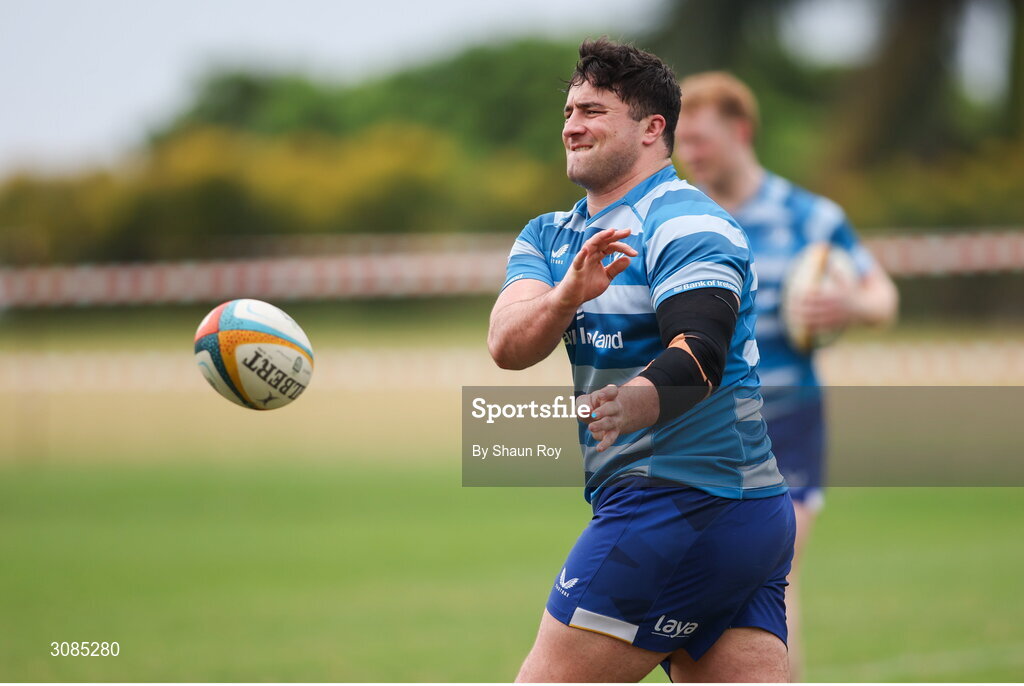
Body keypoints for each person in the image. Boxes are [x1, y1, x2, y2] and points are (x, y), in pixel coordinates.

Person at [488, 39, 795, 682]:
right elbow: (507, 346)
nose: (573, 125)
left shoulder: (686, 223)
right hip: (738, 512)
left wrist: (630, 402)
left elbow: (700, 353)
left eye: (595, 110)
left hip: (674, 503)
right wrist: (569, 293)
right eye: (570, 110)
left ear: (654, 129)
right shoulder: (549, 236)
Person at [674, 71, 899, 680]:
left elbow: (883, 296)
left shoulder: (809, 216)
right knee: (695, 583)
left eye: (702, 139)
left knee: (774, 575)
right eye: (682, 143)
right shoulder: (675, 218)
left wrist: (850, 306)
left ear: (741, 130)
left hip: (785, 420)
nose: (690, 154)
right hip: (699, 428)